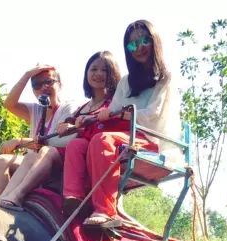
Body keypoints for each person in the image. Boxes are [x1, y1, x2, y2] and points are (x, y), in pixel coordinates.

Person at [69, 20, 181, 226]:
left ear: (154, 41)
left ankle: (105, 210)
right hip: (126, 137)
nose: (139, 48)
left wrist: (120, 114)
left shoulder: (165, 78)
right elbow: (111, 111)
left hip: (152, 141)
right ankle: (73, 199)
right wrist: (90, 118)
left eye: (144, 40)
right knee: (82, 143)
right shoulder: (126, 82)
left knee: (103, 140)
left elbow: (152, 115)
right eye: (132, 44)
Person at [0, 66, 76, 207]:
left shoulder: (67, 108)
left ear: (59, 84)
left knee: (2, 160)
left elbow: (56, 141)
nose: (43, 87)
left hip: (50, 163)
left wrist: (20, 141)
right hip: (30, 162)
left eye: (48, 82)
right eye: (37, 84)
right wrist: (27, 75)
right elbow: (9, 104)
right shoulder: (36, 109)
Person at [58, 51, 126, 218]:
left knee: (89, 143)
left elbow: (117, 122)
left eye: (104, 70)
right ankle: (72, 197)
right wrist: (67, 126)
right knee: (75, 144)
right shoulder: (81, 108)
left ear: (113, 74)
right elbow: (72, 127)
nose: (98, 74)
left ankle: (103, 207)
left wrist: (92, 120)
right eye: (93, 69)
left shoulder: (115, 102)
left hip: (103, 149)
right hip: (81, 150)